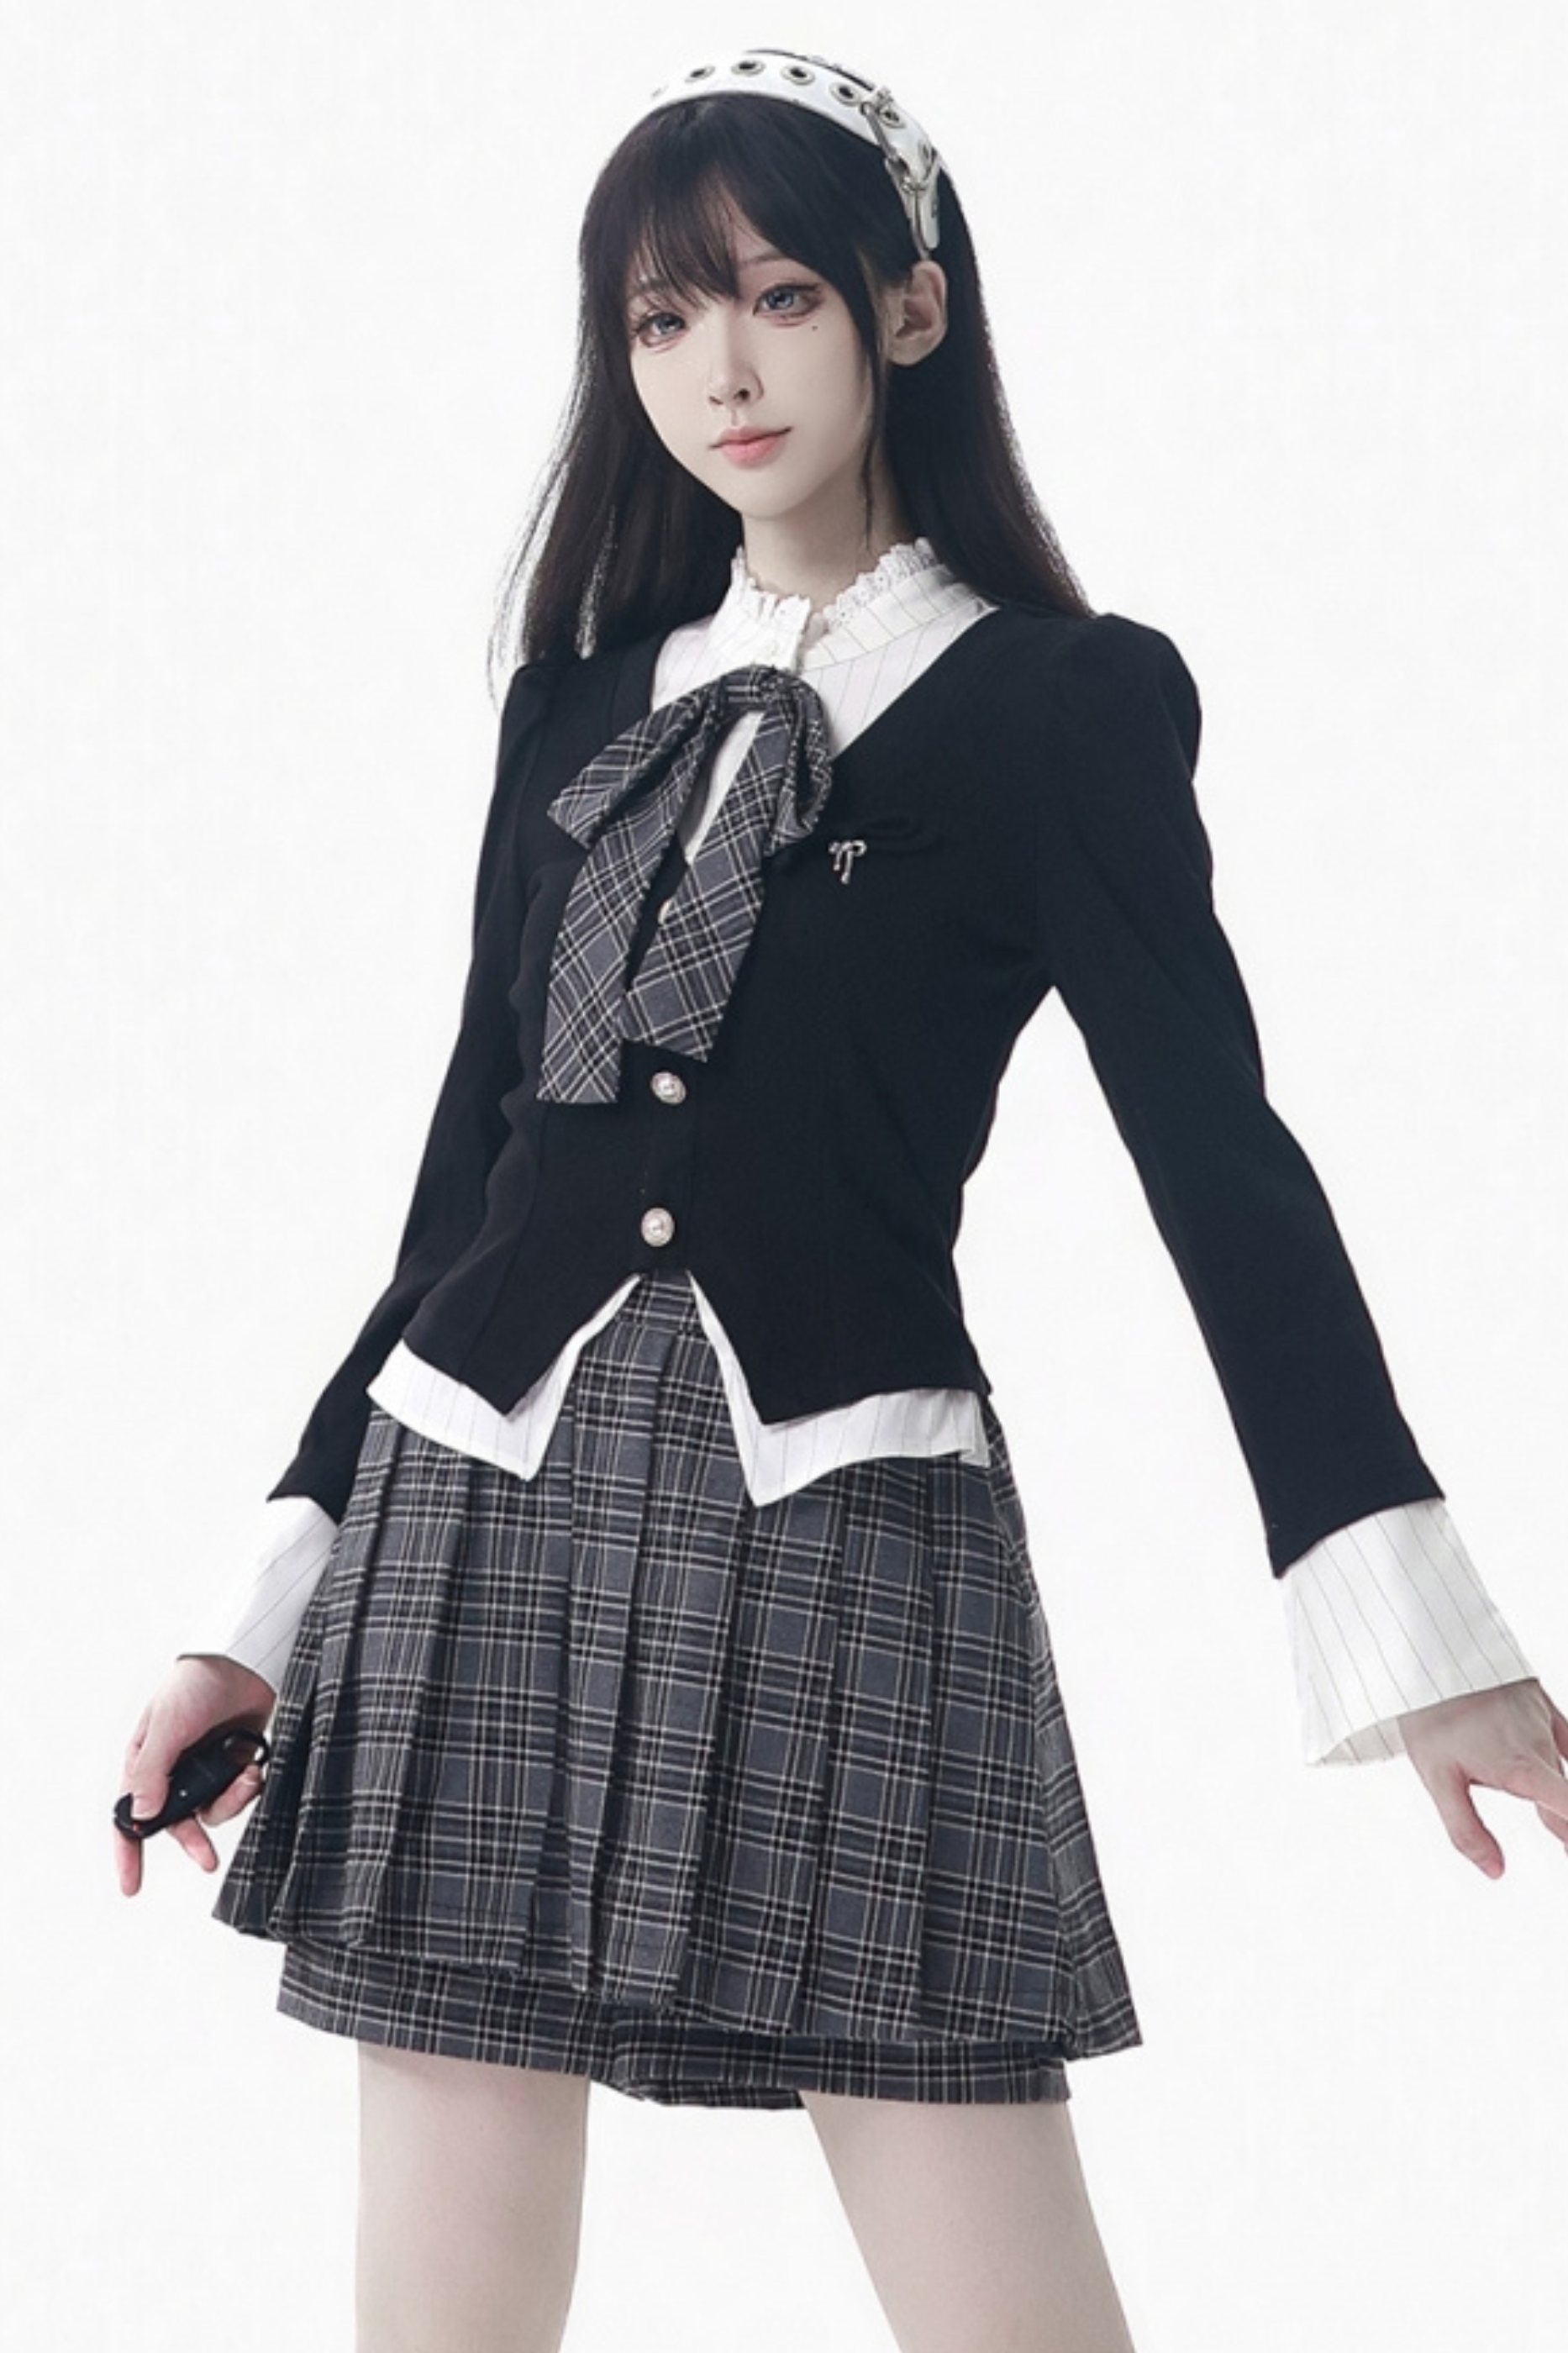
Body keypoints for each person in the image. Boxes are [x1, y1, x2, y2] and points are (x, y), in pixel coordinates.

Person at [113, 46, 1568, 2353]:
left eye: (778, 296)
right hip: (471, 1507)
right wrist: (260, 1613)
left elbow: (1224, 1166)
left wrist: (1416, 1626)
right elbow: (463, 1187)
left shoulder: (1058, 707)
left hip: (845, 1511)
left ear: (908, 309)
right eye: (663, 316)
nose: (722, 368)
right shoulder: (571, 704)